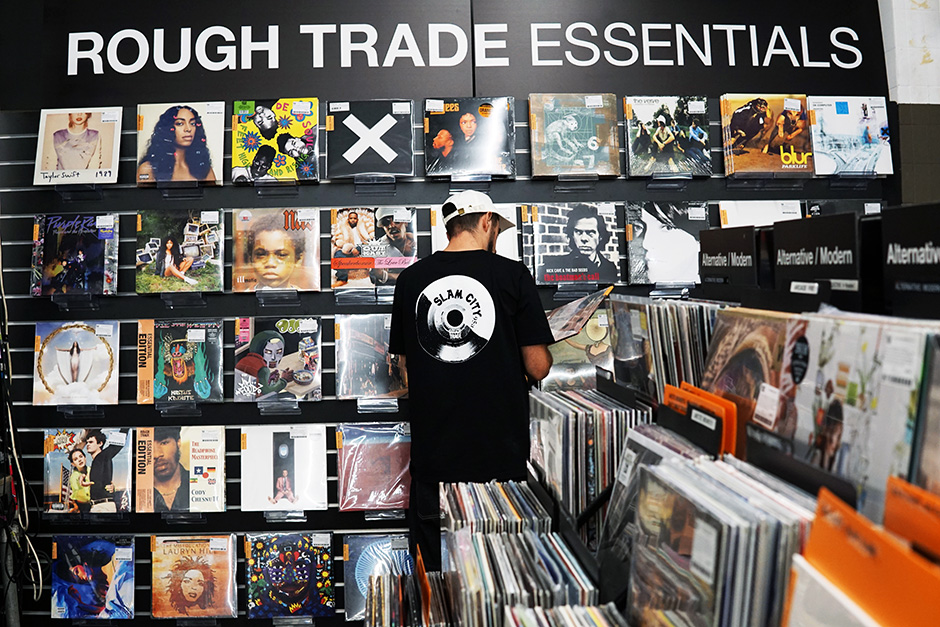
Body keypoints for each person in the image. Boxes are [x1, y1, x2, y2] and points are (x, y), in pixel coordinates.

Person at [389, 189, 554, 570]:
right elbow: (539, 367)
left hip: (435, 459)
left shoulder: (411, 280)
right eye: (497, 227)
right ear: (487, 222)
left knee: (439, 583)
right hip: (500, 458)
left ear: (450, 226)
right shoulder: (512, 275)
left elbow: (405, 369)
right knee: (498, 580)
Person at [541, 204, 619, 284]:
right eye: (579, 232)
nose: (584, 239)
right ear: (572, 235)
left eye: (590, 233)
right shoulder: (554, 266)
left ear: (600, 236)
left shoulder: (610, 268)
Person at [136, 105, 216, 184]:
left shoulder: (204, 168)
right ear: (166, 129)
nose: (188, 129)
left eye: (193, 123)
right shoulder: (148, 169)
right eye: (180, 124)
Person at [243, 213, 305, 290]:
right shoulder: (240, 299)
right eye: (261, 254)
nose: (270, 263)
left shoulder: (308, 298)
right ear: (251, 259)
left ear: (298, 260)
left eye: (281, 255)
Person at [369, 207, 416, 286]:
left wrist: (388, 276)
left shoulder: (416, 241)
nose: (391, 225)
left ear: (406, 223)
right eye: (386, 223)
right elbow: (376, 276)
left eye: (396, 221)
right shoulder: (378, 248)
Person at [84, 429, 124, 513]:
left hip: (103, 506)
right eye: (87, 442)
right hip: (99, 505)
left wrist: (125, 426)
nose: (87, 445)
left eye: (91, 442)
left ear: (100, 443)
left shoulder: (102, 456)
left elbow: (116, 445)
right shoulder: (96, 462)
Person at [152, 426, 190, 511]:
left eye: (164, 443)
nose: (157, 454)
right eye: (149, 446)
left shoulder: (198, 484)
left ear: (178, 442)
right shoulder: (138, 493)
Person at [331, 209, 372, 286]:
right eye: (351, 218)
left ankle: (374, 279)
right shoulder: (342, 228)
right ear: (348, 219)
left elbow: (369, 239)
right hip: (348, 249)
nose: (353, 220)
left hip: (363, 248)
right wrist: (350, 249)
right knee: (338, 254)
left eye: (354, 218)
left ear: (357, 219)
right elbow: (339, 241)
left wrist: (359, 249)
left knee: (375, 252)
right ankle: (342, 279)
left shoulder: (363, 226)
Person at [67, 448, 92, 513]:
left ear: (85, 457)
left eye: (81, 456)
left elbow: (105, 482)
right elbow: (78, 496)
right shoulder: (74, 477)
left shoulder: (92, 470)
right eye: (76, 459)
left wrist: (112, 487)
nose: (79, 460)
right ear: (73, 464)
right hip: (83, 507)